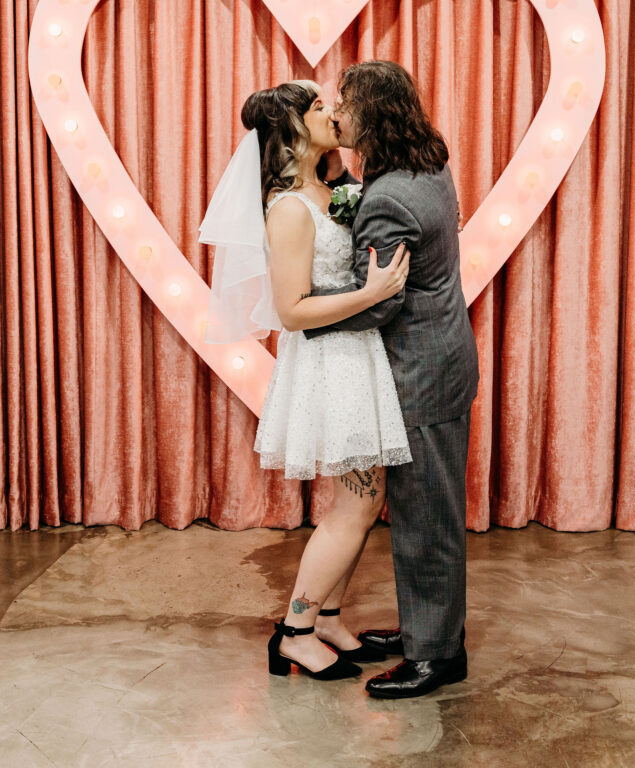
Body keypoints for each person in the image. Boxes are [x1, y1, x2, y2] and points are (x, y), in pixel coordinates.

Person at [200, 79, 412, 683]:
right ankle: (294, 630)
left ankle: (328, 619)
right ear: (292, 129)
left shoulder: (332, 190)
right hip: (331, 364)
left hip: (356, 356)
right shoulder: (291, 208)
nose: (333, 113)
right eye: (319, 106)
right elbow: (291, 310)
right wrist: (369, 293)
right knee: (359, 501)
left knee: (363, 501)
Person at [304, 59, 480, 699]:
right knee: (427, 509)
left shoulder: (387, 197)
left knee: (426, 517)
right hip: (446, 356)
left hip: (420, 374)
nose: (334, 112)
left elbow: (379, 302)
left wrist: (304, 319)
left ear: (369, 114)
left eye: (343, 102)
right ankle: (425, 629)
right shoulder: (426, 163)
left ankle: (437, 655)